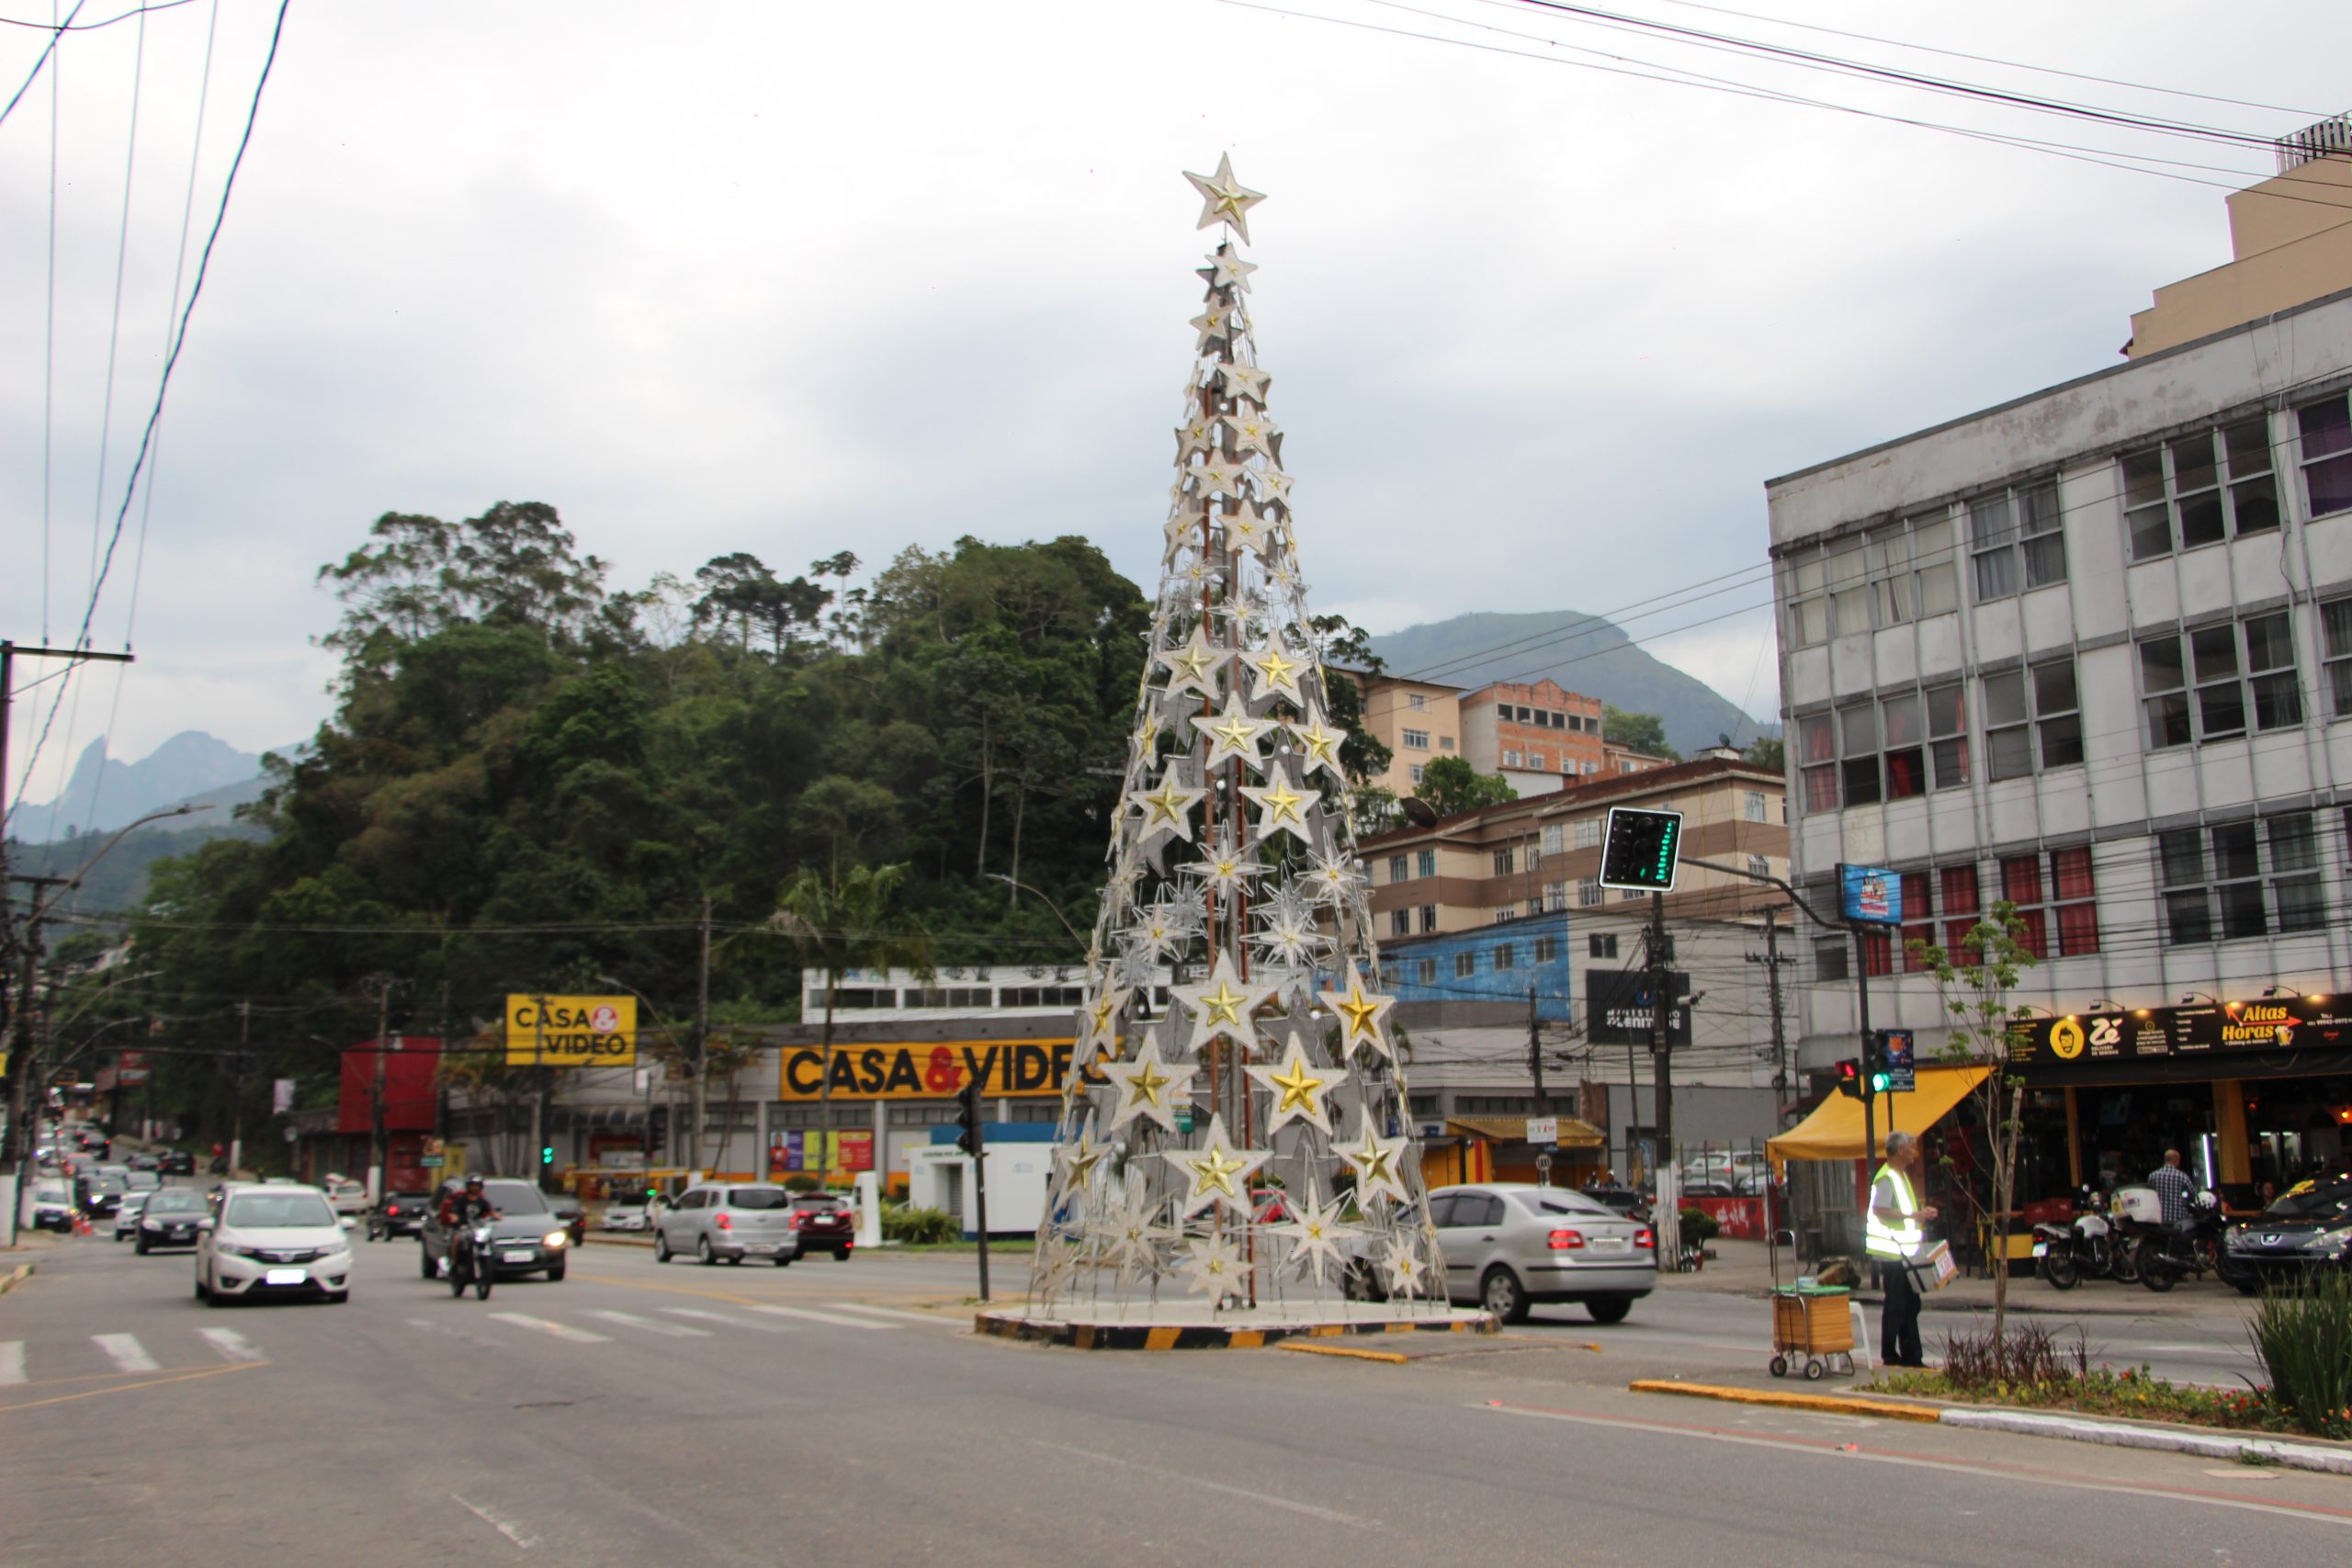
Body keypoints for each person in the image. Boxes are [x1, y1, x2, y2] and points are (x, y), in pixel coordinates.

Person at [1865, 1130, 1939, 1370]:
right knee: (1897, 1305)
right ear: (1900, 1151)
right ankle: (1891, 1353)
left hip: (1905, 1252)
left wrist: (1920, 1216)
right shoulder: (1887, 1177)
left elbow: (1902, 1213)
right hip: (1892, 1252)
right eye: (1911, 1147)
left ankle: (1912, 1355)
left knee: (1910, 1305)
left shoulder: (1900, 1175)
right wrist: (1914, 1215)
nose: (1915, 1152)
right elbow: (1880, 1210)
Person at [436, 1176, 501, 1279]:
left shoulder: (482, 1201)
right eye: (472, 1186)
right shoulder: (461, 1200)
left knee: (487, 1238)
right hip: (462, 1227)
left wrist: (496, 1216)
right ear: (468, 1187)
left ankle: (486, 1261)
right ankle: (453, 1263)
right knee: (457, 1239)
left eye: (477, 1186)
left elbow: (490, 1211)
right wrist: (454, 1217)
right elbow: (454, 1212)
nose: (475, 1188)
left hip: (476, 1227)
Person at [2145, 1147, 2195, 1225]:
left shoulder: (2152, 1176)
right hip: (2178, 1218)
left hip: (2159, 1218)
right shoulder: (2182, 1176)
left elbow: (2148, 1195)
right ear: (2176, 1160)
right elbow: (2192, 1194)